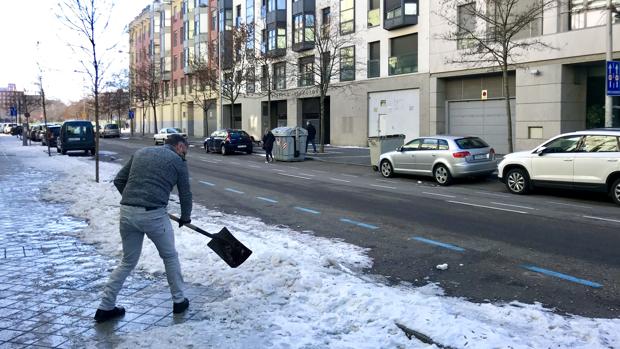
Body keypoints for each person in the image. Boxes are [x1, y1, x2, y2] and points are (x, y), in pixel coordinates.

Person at [94, 134, 192, 323]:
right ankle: (179, 301)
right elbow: (186, 194)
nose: (185, 155)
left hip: (127, 213)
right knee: (170, 256)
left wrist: (134, 202)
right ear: (180, 146)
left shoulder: (141, 152)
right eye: (185, 151)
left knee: (127, 261)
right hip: (154, 214)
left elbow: (119, 180)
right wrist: (185, 217)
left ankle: (105, 307)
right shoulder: (178, 161)